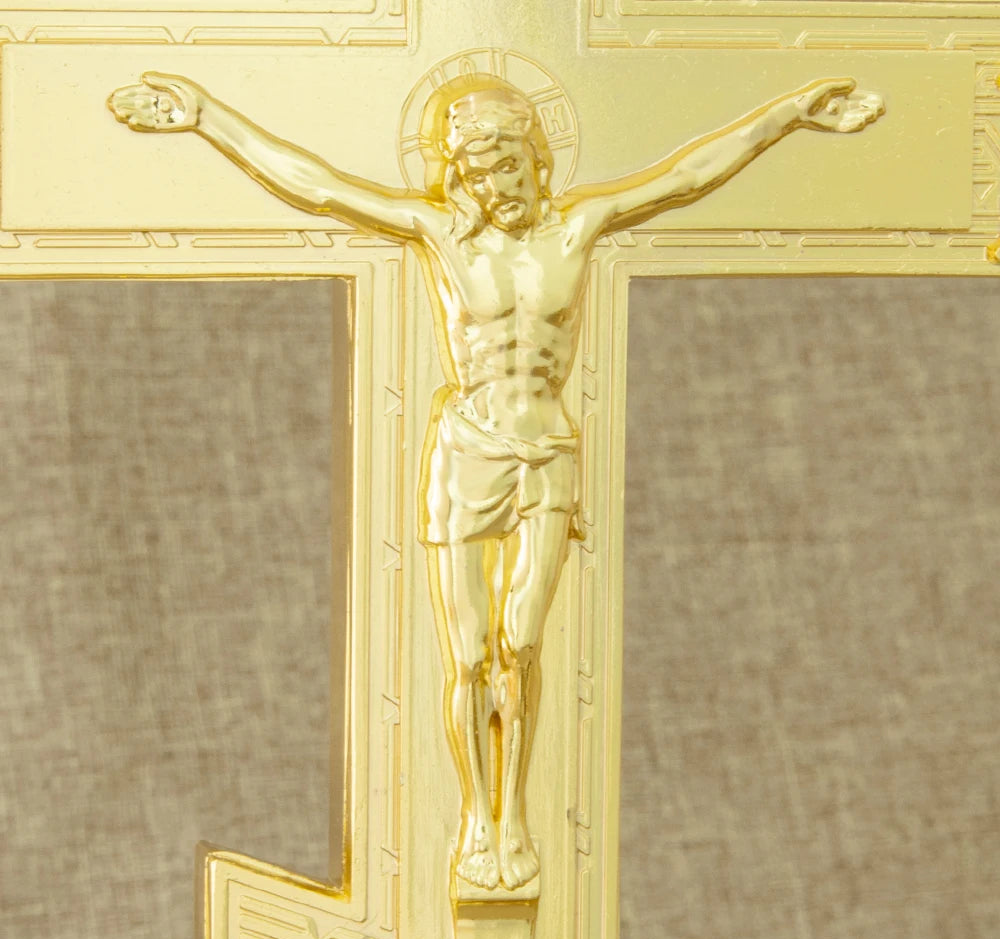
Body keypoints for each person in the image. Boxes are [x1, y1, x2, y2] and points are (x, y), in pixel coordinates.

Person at [109, 69, 883, 891]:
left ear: (536, 158)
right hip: (469, 448)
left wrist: (787, 116)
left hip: (546, 450)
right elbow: (320, 187)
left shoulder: (578, 228)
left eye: (506, 167)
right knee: (470, 654)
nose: (494, 187)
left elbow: (686, 177)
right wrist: (209, 119)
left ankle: (516, 815)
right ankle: (477, 819)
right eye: (476, 175)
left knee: (523, 643)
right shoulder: (443, 234)